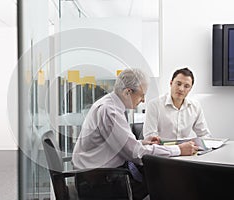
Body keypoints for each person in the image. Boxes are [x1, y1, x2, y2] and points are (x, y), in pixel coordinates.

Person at [72, 68, 198, 200]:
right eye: (141, 95)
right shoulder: (110, 111)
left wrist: (142, 142)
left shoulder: (110, 104)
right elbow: (135, 153)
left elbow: (120, 144)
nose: (143, 100)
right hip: (99, 182)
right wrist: (178, 149)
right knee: (164, 184)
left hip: (100, 175)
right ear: (128, 92)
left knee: (159, 181)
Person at [143, 67, 212, 140]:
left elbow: (205, 135)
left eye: (186, 86)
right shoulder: (154, 105)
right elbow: (150, 138)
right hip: (163, 150)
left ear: (190, 89)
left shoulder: (195, 106)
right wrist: (177, 149)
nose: (181, 89)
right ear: (171, 83)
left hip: (187, 150)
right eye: (178, 84)